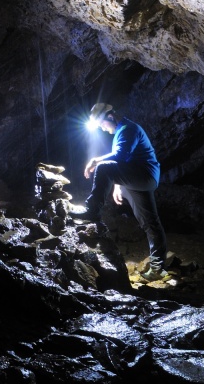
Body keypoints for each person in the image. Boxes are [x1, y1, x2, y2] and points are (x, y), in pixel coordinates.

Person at [74, 102, 169, 282]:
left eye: (102, 124)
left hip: (144, 175)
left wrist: (95, 160)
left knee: (102, 167)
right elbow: (125, 162)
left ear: (110, 117)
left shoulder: (128, 129)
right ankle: (158, 268)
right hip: (143, 177)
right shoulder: (122, 130)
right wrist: (119, 184)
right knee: (150, 222)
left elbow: (120, 156)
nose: (102, 128)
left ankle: (92, 211)